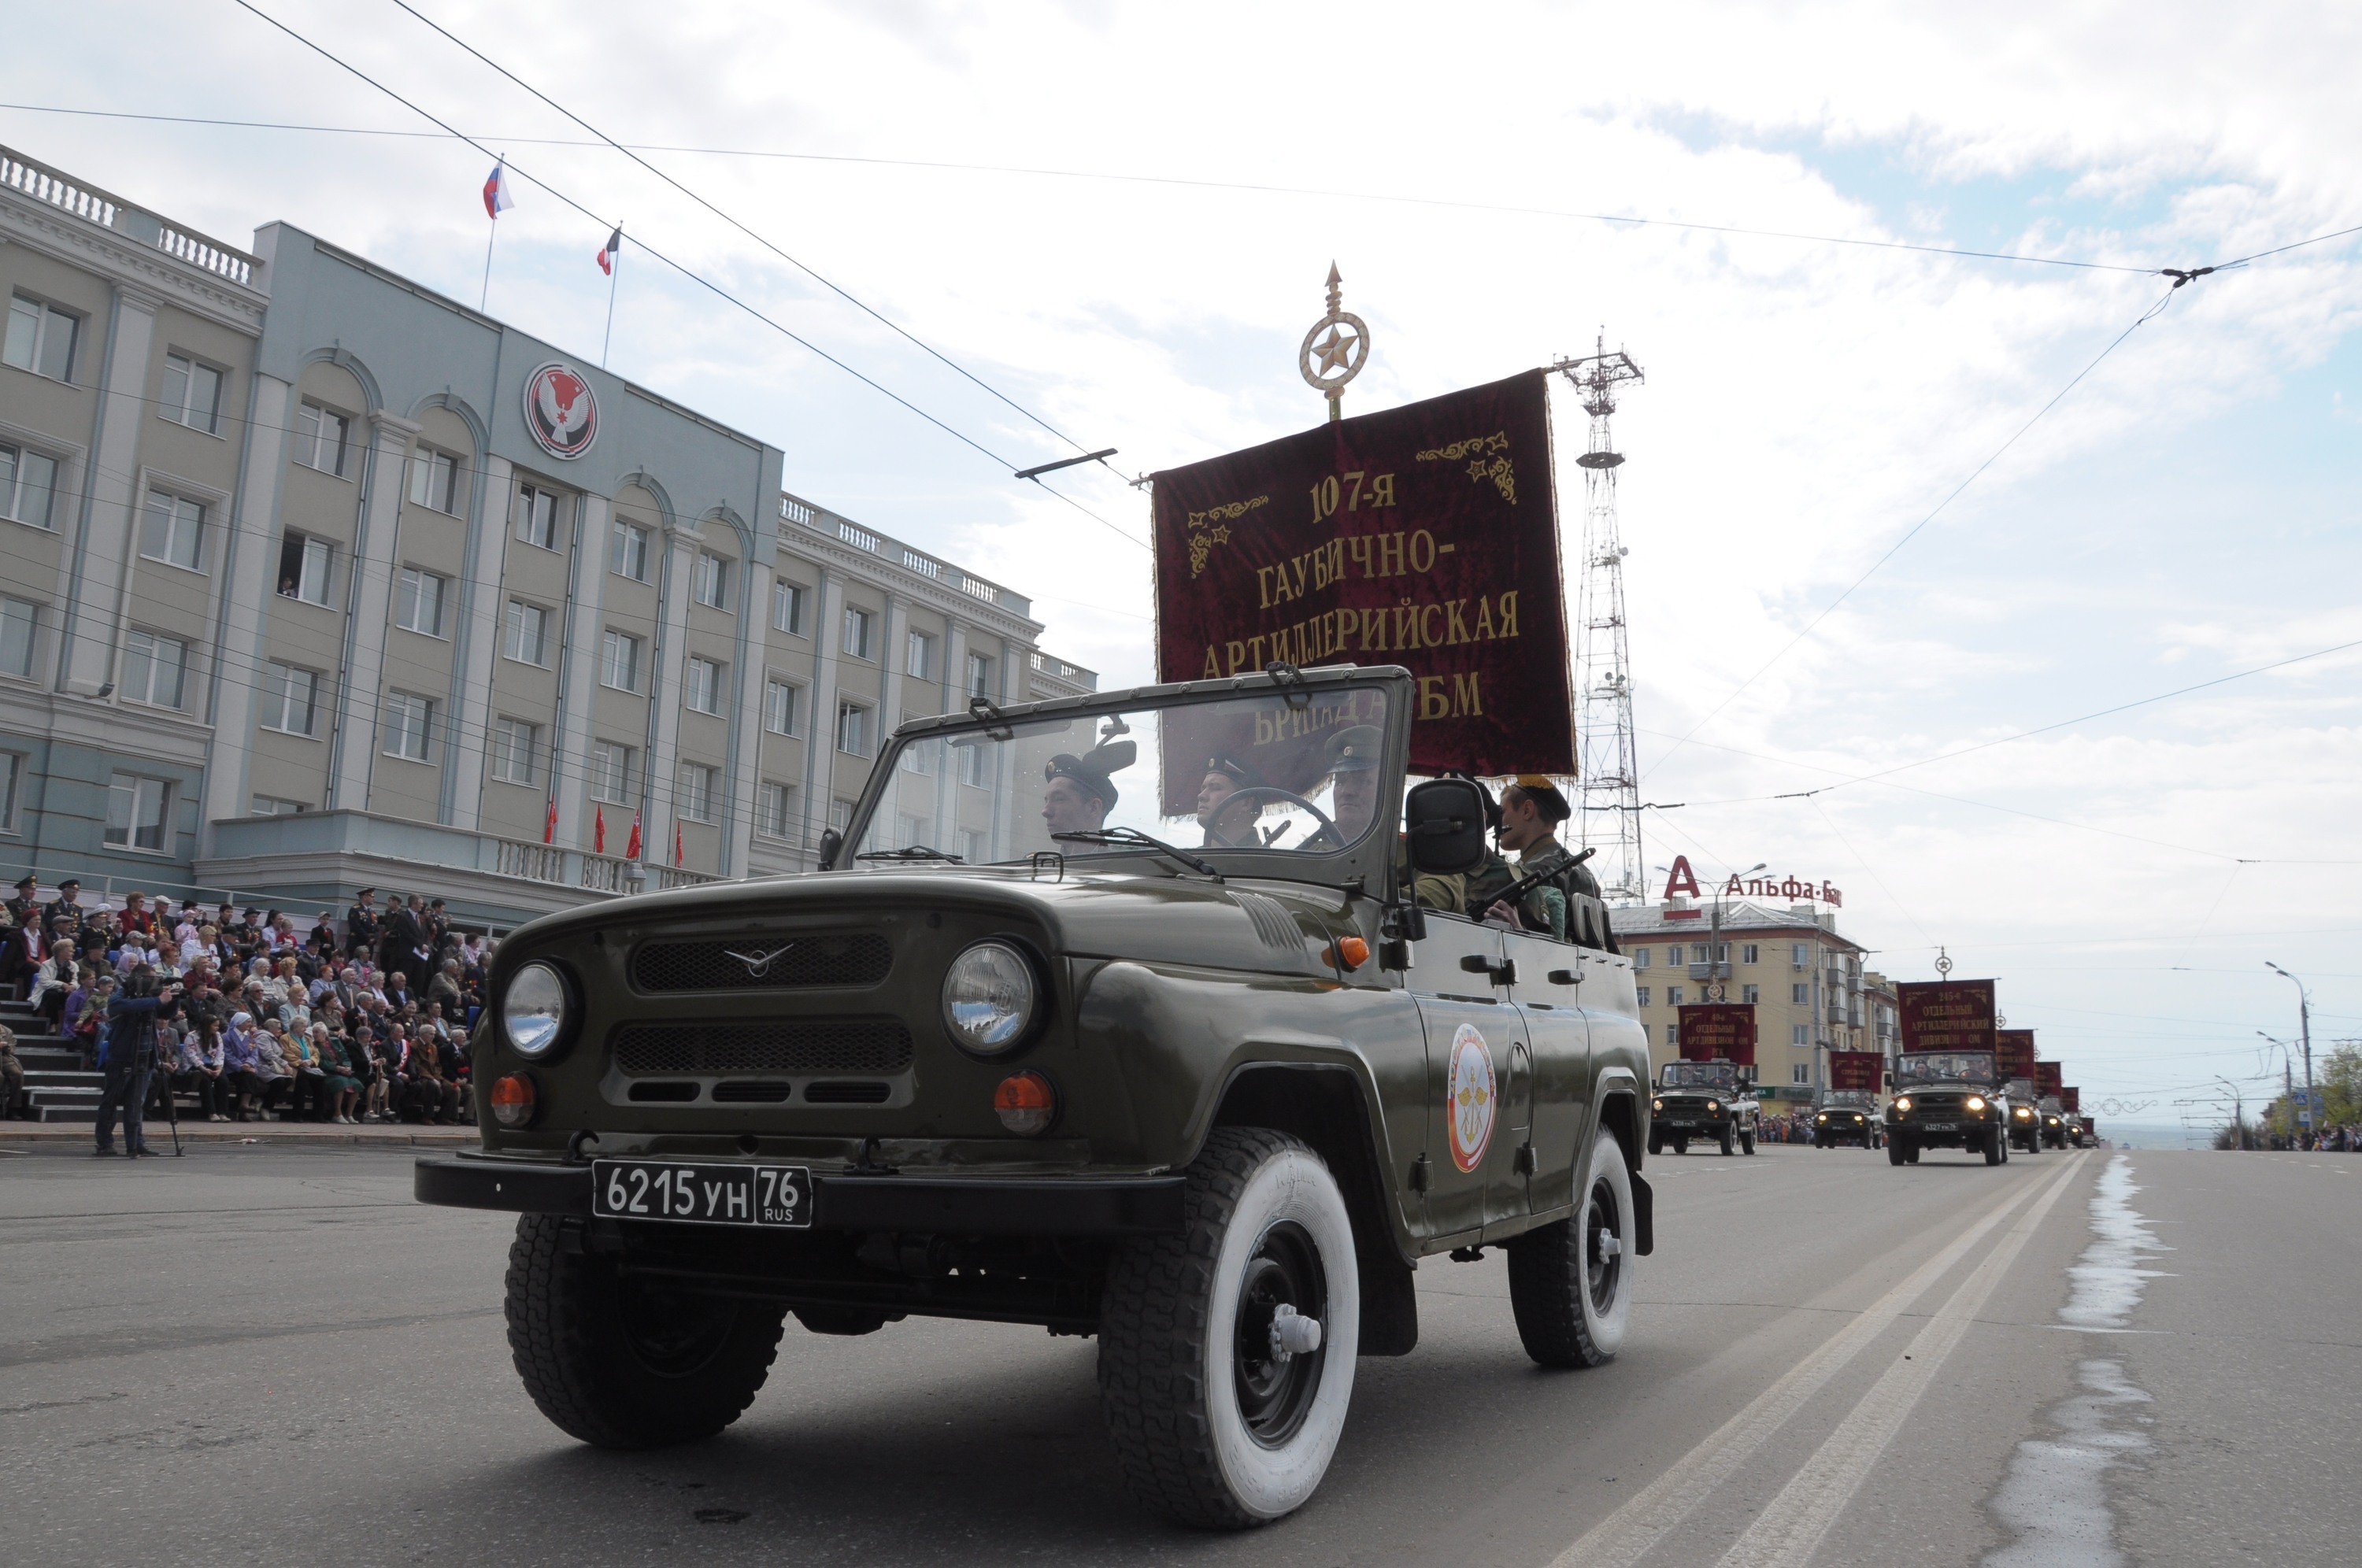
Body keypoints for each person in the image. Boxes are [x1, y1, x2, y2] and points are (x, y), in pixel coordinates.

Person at [1482, 775, 1618, 952]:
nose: (1498, 823)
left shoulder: (1531, 873)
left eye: (1503, 812)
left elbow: (1537, 950)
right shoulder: (1577, 868)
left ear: (1527, 810)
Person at [96, 965, 177, 1157]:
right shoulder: (124, 992)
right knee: (111, 1101)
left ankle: (136, 1143)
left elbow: (166, 1014)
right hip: (122, 1056)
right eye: (150, 978)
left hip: (145, 1057)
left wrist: (174, 997)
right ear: (139, 978)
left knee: (136, 1104)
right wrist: (156, 1000)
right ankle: (105, 1143)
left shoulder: (151, 995)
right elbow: (117, 1006)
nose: (153, 982)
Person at [1040, 739, 1135, 838]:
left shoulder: (1138, 853)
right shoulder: (1038, 853)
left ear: (1093, 808)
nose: (1045, 811)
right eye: (1046, 801)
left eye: (1059, 799)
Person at [1323, 725, 1384, 840]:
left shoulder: (1409, 854)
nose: (1347, 791)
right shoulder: (1308, 853)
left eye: (1362, 781)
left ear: (1389, 791)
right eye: (1340, 782)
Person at [1194, 756, 1266, 848]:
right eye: (1203, 789)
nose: (1201, 796)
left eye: (1216, 788)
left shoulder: (1265, 861)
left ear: (1246, 803)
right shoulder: (1184, 860)